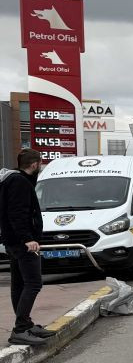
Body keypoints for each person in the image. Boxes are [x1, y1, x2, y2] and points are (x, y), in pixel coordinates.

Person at [1, 149, 54, 347]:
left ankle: (26, 324)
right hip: (23, 242)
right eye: (40, 163)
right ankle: (21, 329)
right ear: (35, 164)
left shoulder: (13, 179)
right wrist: (28, 239)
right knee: (34, 283)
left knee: (20, 284)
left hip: (13, 241)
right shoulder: (20, 182)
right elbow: (17, 213)